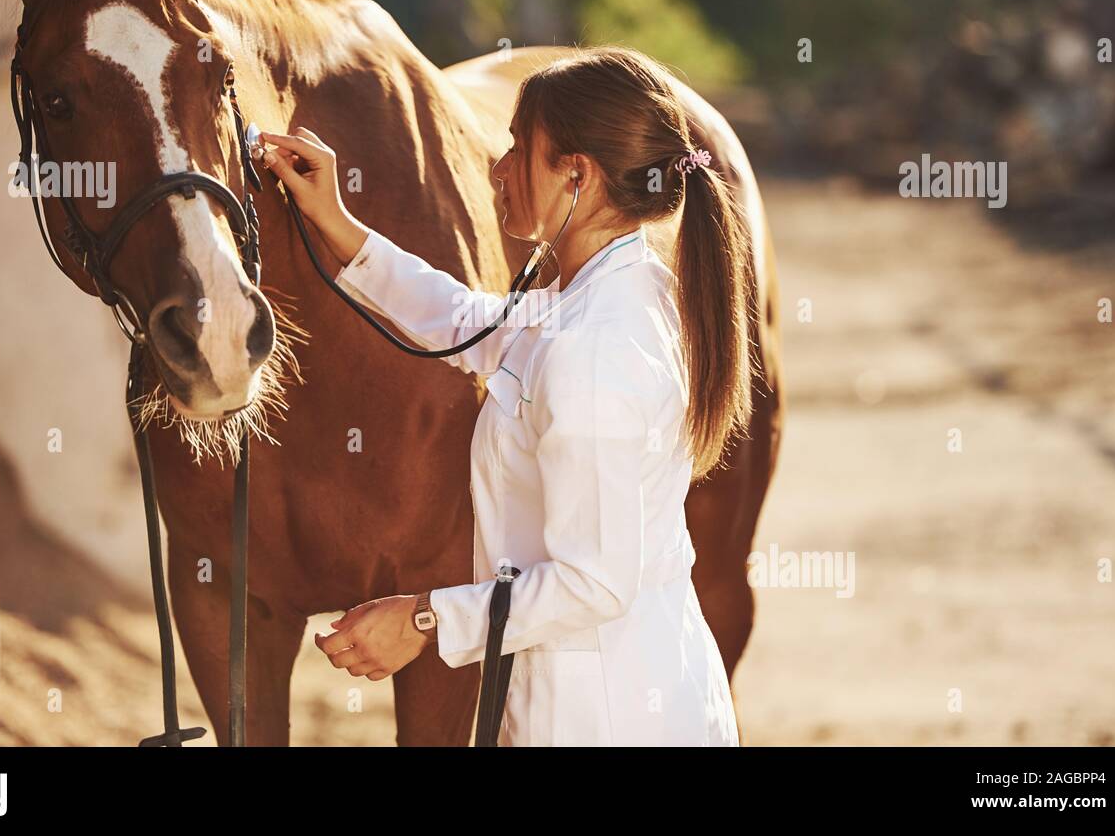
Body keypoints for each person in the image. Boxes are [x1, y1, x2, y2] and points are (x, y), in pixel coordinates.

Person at [258, 46, 753, 746]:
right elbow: (465, 321)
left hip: (604, 720)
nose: (498, 168)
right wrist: (335, 222)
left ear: (576, 176)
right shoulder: (614, 291)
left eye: (519, 148)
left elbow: (595, 582)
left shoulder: (594, 351)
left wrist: (422, 618)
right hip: (609, 695)